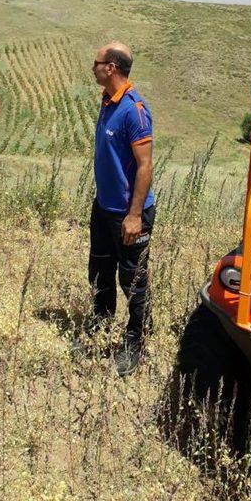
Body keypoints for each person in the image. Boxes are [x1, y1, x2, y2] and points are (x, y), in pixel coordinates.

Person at [88, 41, 155, 376]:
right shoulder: (107, 101)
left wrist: (134, 216)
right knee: (100, 272)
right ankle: (100, 326)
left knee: (133, 280)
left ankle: (136, 341)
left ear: (110, 67)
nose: (94, 66)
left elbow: (145, 167)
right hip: (103, 208)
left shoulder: (134, 110)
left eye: (97, 61)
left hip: (128, 214)